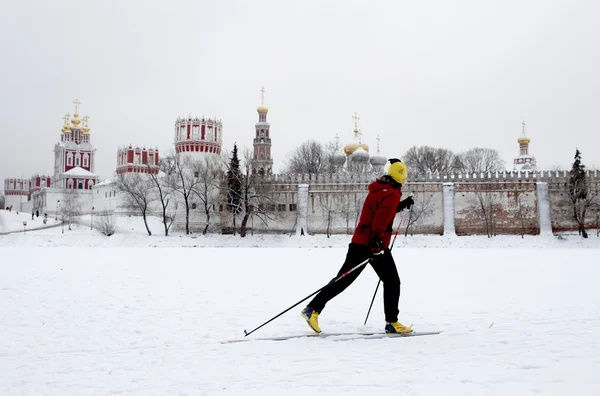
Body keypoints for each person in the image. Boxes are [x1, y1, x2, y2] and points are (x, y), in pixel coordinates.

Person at [301, 158, 415, 334]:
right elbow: (382, 216)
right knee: (392, 281)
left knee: (343, 280)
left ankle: (313, 309)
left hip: (359, 242)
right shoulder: (392, 193)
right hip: (374, 245)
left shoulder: (379, 190)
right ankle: (392, 322)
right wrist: (377, 240)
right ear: (400, 177)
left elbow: (381, 209)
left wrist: (402, 205)